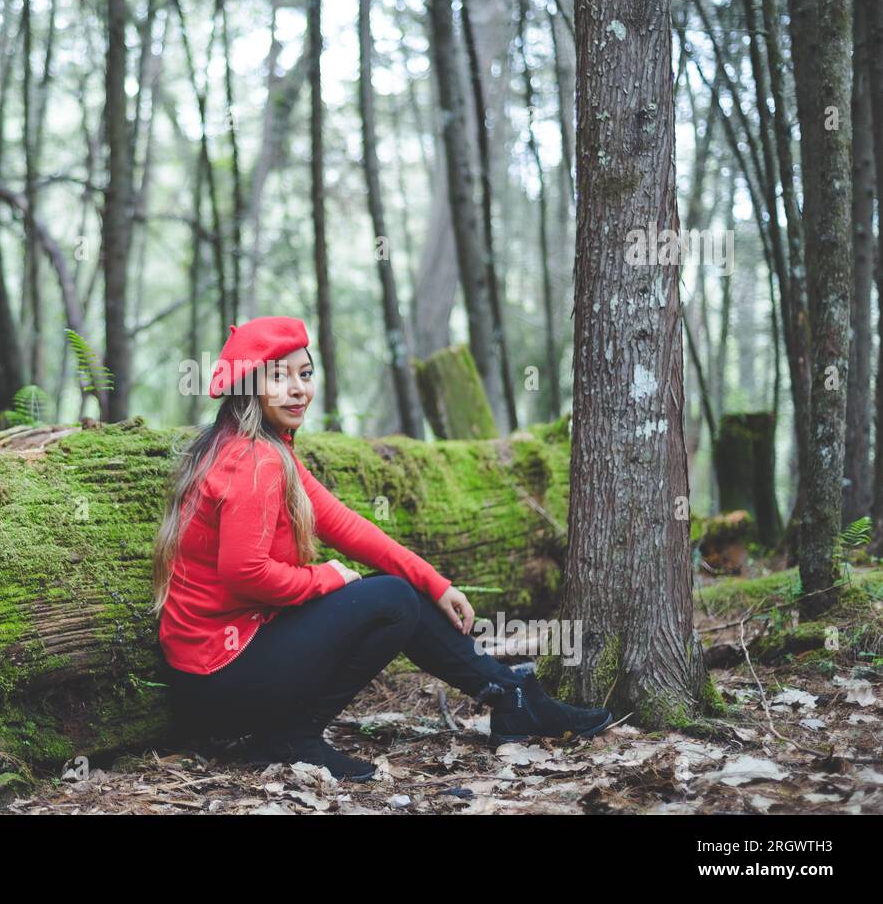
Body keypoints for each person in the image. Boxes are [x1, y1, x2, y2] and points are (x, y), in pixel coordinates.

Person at [151, 316, 612, 781]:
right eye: (278, 376)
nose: (297, 390)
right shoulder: (255, 460)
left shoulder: (261, 450)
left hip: (226, 667)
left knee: (401, 592)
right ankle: (292, 736)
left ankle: (512, 697)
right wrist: (327, 577)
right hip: (220, 675)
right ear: (249, 386)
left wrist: (433, 582)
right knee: (390, 600)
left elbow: (349, 527)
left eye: (304, 375)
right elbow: (244, 572)